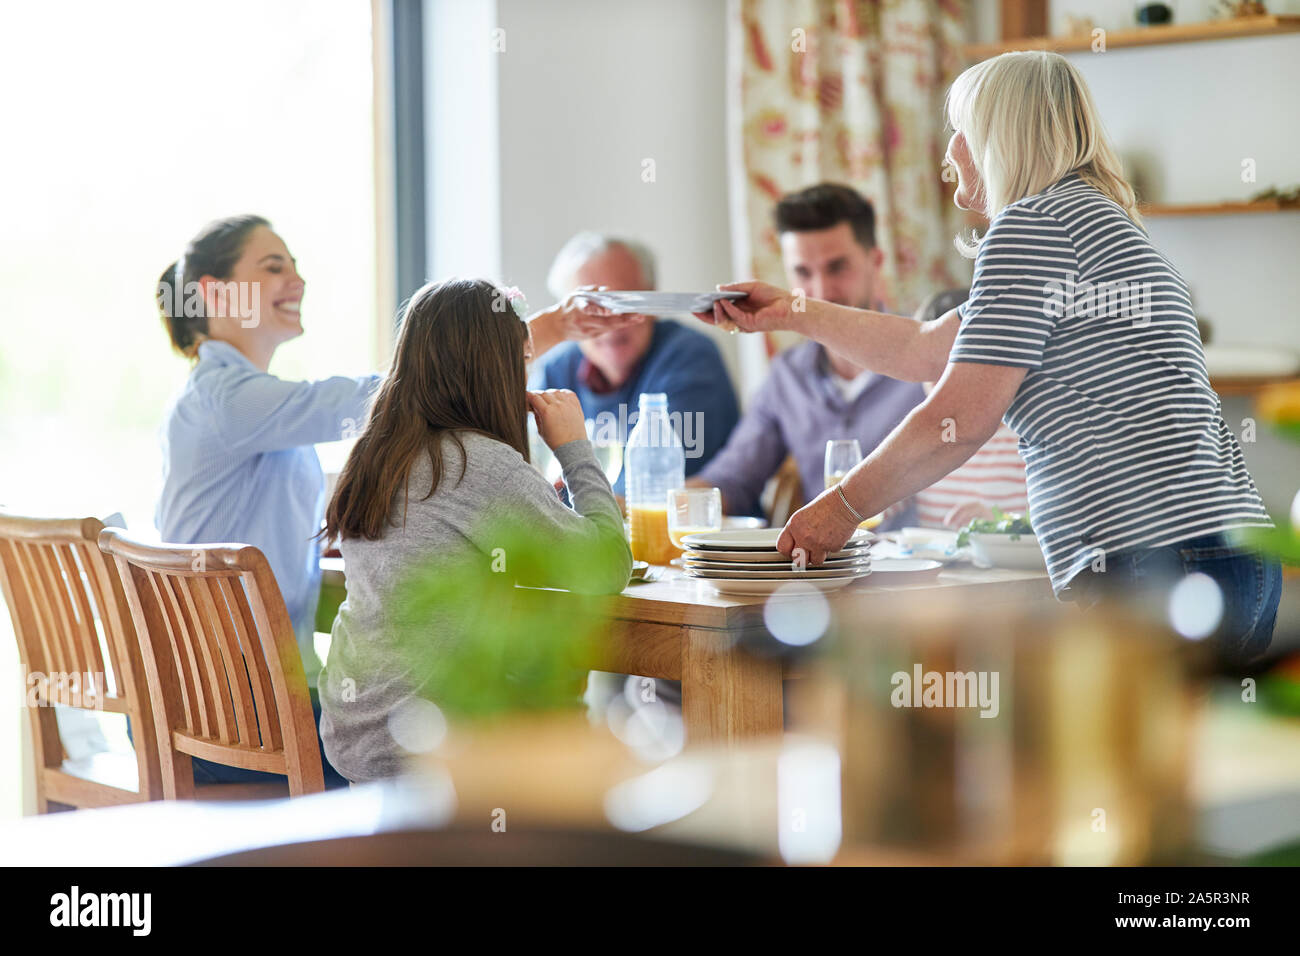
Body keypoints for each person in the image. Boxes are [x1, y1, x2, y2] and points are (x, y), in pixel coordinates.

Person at [696, 52, 1279, 663]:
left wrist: (840, 508)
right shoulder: (1095, 225)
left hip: (1156, 556)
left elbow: (959, 419)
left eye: (963, 130)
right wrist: (791, 311)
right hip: (1223, 554)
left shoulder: (1031, 228)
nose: (950, 151)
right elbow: (927, 350)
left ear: (1004, 136)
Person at [155, 217, 630, 786]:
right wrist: (570, 438)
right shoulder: (227, 402)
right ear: (213, 292)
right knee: (562, 721)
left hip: (268, 718)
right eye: (274, 266)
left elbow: (403, 399)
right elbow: (365, 396)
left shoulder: (373, 454)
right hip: (239, 712)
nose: (298, 280)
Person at [318, 278, 632, 782]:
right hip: (433, 753)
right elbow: (608, 566)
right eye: (519, 363)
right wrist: (575, 447)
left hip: (353, 741)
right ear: (495, 370)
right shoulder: (478, 462)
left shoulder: (374, 454)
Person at [688, 185, 926, 526]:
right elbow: (733, 479)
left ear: (875, 261)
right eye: (802, 272)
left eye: (837, 267)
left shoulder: (929, 358)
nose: (821, 292)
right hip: (828, 574)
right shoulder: (787, 375)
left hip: (927, 572)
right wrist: (638, 507)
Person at [531, 232, 739, 495]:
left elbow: (653, 480)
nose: (612, 322)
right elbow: (528, 475)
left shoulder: (691, 357)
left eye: (627, 302)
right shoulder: (555, 369)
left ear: (653, 300)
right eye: (592, 308)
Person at [910, 289, 1030, 530]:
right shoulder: (919, 442)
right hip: (933, 568)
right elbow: (874, 505)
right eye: (929, 368)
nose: (938, 383)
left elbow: (1054, 532)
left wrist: (998, 524)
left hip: (1004, 567)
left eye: (949, 366)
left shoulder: (1023, 440)